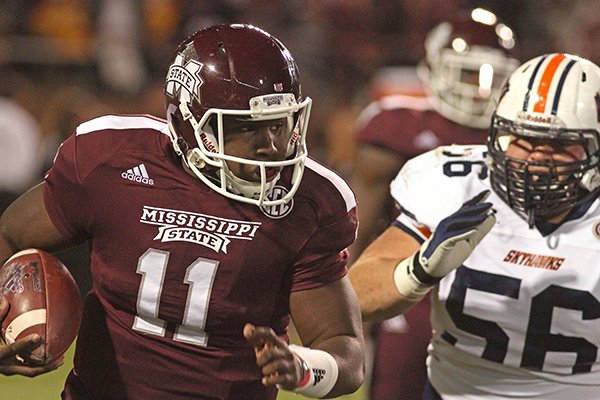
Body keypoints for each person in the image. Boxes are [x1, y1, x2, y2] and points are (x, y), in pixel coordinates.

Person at [0, 24, 365, 400]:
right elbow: (9, 234)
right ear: (186, 123)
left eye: (278, 124)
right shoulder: (111, 162)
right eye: (244, 127)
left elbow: (346, 352)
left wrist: (303, 368)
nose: (269, 147)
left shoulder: (309, 201)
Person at [349, 52, 600, 399]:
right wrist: (418, 271)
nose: (538, 158)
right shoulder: (459, 185)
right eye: (523, 139)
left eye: (559, 145)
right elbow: (356, 293)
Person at [348, 8, 519, 400]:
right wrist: (342, 301)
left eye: (492, 74)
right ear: (432, 67)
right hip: (412, 295)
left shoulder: (521, 141)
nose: (480, 87)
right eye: (467, 72)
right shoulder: (396, 129)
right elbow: (354, 227)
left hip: (495, 294)